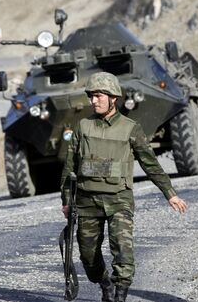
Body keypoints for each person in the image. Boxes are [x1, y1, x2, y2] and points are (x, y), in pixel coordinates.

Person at [60, 72, 188, 302]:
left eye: (98, 96)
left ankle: (119, 296)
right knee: (88, 256)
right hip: (87, 201)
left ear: (113, 98)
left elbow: (151, 164)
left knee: (123, 251)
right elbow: (70, 168)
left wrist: (170, 193)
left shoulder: (131, 128)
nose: (93, 101)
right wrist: (67, 201)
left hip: (119, 199)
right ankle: (105, 283)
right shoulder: (83, 127)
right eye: (91, 96)